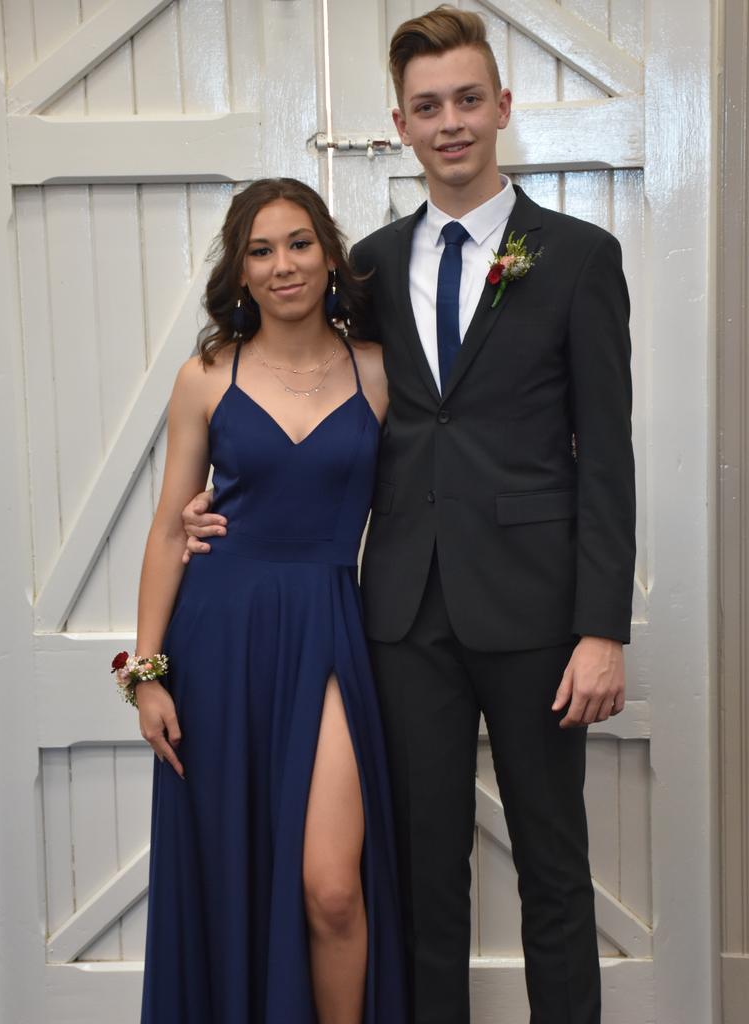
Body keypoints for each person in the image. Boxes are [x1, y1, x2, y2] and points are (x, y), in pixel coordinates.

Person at [183, 7, 635, 1024]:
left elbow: (608, 454)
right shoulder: (371, 269)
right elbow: (308, 388)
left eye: (468, 99)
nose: (451, 122)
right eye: (428, 106)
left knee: (554, 876)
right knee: (422, 880)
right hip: (400, 620)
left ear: (502, 107)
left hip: (538, 618)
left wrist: (602, 626)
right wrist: (222, 507)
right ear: (400, 122)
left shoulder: (575, 257)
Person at [127, 177, 405, 1024]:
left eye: (298, 244)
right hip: (219, 636)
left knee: (331, 887)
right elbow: (172, 530)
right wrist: (145, 674)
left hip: (328, 624)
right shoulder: (205, 376)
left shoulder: (380, 374)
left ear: (328, 256)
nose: (282, 265)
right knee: (231, 874)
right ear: (239, 273)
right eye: (260, 250)